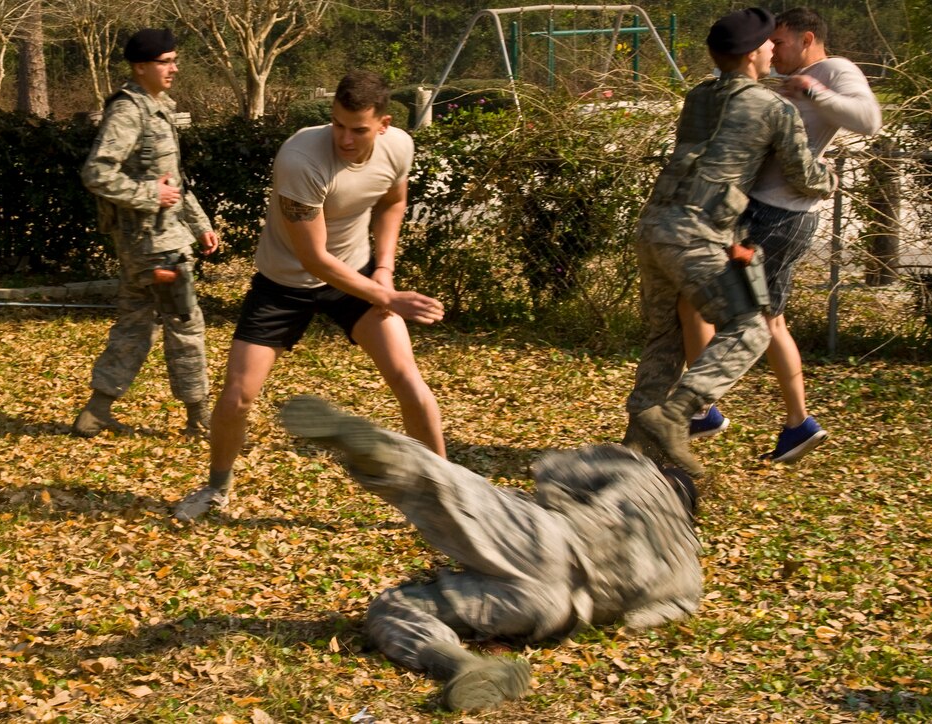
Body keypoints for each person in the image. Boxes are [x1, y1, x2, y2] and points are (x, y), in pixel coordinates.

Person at [279, 395, 702, 712]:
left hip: (550, 539)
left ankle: (384, 457)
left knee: (446, 489)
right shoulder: (690, 572)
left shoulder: (642, 473)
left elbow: (556, 475)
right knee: (397, 605)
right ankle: (460, 666)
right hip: (554, 608)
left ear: (668, 477)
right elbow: (646, 618)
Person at [173, 70, 445, 522]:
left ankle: (446, 500)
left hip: (358, 276)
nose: (344, 138)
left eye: (358, 129)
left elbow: (393, 202)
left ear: (384, 124)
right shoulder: (301, 158)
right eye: (337, 124)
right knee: (238, 396)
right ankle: (216, 489)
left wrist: (384, 269)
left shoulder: (398, 147)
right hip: (284, 285)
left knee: (410, 383)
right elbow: (315, 260)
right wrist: (387, 297)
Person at [622, 8, 837, 477]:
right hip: (700, 233)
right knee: (751, 328)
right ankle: (676, 416)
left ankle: (636, 448)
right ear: (753, 52)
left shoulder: (698, 97)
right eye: (767, 45)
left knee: (665, 338)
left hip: (654, 224)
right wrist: (830, 177)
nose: (772, 51)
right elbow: (805, 176)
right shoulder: (773, 108)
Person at [678, 7, 882, 463]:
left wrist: (816, 91)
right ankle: (787, 422)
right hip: (761, 211)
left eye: (781, 42)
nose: (773, 48)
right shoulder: (777, 75)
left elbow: (869, 120)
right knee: (754, 316)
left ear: (808, 38)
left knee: (724, 308)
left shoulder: (833, 70)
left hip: (779, 216)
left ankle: (712, 409)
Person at [74, 28, 220, 438]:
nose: (174, 68)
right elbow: (97, 172)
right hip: (154, 247)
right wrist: (147, 194)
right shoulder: (129, 111)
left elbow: (171, 180)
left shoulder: (156, 107)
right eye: (165, 61)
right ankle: (199, 416)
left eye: (175, 59)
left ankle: (96, 412)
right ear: (141, 67)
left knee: (135, 325)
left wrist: (199, 222)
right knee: (186, 324)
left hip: (156, 240)